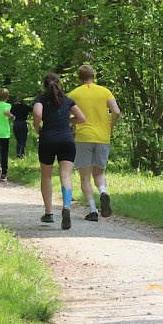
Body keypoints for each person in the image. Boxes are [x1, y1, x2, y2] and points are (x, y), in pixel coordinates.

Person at [69, 64, 121, 221]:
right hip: (103, 137)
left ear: (79, 77)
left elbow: (66, 115)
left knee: (85, 177)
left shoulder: (73, 94)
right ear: (94, 75)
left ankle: (93, 211)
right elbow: (116, 111)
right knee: (99, 173)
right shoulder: (105, 91)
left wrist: (71, 124)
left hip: (83, 137)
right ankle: (103, 192)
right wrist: (110, 127)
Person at [33, 72, 85, 229]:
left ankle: (49, 213)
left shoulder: (40, 100)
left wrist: (38, 127)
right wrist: (68, 122)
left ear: (44, 85)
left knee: (46, 176)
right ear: (59, 84)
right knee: (65, 175)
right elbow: (82, 118)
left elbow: (37, 113)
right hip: (67, 140)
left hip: (48, 139)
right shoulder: (68, 100)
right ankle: (66, 206)